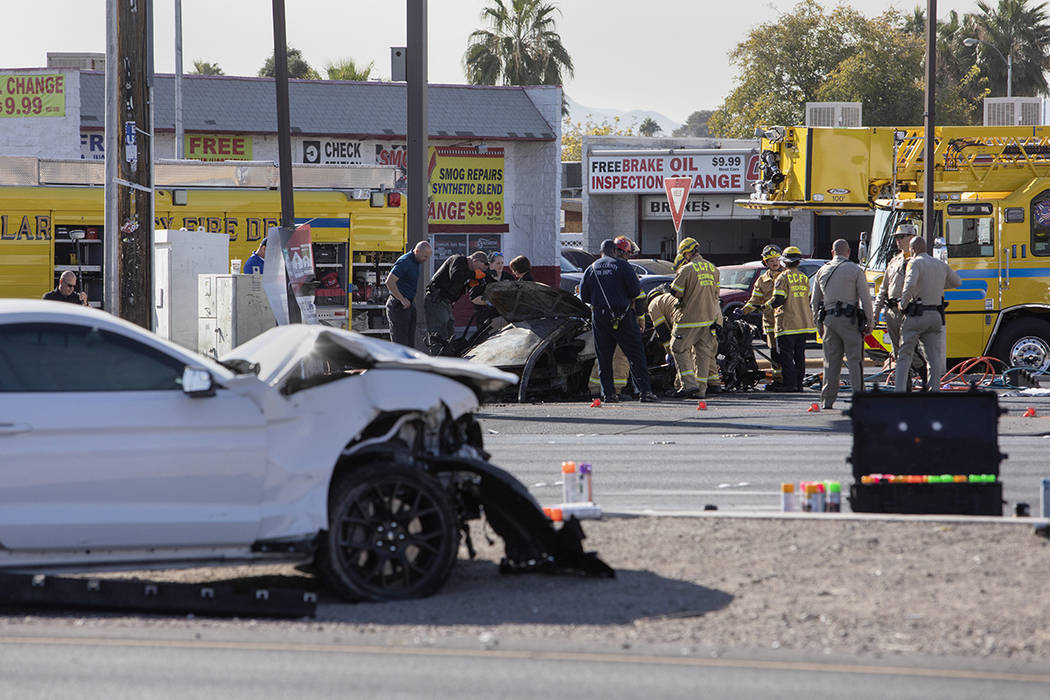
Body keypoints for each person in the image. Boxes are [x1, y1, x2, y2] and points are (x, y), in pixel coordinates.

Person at [580, 238, 658, 403]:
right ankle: (645, 392)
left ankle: (608, 394)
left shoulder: (591, 268)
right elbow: (636, 292)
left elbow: (584, 296)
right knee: (635, 355)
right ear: (615, 251)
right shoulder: (623, 266)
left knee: (604, 357)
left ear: (601, 252)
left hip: (600, 317)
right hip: (622, 316)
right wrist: (638, 317)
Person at [894, 236, 962, 392]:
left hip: (917, 314)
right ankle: (934, 392)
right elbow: (957, 282)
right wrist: (939, 286)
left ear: (912, 249)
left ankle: (899, 392)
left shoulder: (914, 262)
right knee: (933, 358)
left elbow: (910, 284)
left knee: (904, 355)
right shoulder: (940, 264)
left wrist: (902, 304)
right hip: (935, 316)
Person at [811, 239, 874, 409]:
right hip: (850, 320)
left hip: (829, 321)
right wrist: (870, 321)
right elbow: (865, 299)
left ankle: (827, 400)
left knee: (831, 362)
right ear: (849, 252)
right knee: (855, 360)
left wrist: (819, 326)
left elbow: (814, 302)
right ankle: (859, 398)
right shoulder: (855, 270)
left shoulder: (822, 271)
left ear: (832, 252)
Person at [668, 237, 721, 399]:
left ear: (688, 252)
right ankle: (701, 390)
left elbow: (675, 292)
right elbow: (716, 294)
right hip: (709, 318)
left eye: (684, 254)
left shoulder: (687, 269)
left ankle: (689, 385)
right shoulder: (713, 269)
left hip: (690, 318)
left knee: (677, 347)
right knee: (703, 354)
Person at [873, 222, 926, 385]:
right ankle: (906, 385)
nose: (898, 241)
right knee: (897, 351)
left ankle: (926, 378)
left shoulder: (919, 261)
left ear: (912, 237)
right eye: (897, 238)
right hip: (892, 311)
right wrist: (875, 313)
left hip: (910, 311)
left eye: (902, 237)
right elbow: (884, 288)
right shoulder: (894, 261)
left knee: (909, 349)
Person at [735, 244, 784, 387]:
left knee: (786, 353)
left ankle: (790, 378)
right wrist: (742, 311)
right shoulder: (762, 281)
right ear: (766, 263)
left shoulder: (787, 275)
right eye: (771, 261)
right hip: (770, 322)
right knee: (774, 352)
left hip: (787, 322)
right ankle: (778, 380)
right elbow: (754, 301)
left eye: (777, 259)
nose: (775, 263)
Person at [769, 246, 816, 392]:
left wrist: (764, 306)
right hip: (803, 324)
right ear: (798, 262)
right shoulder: (803, 278)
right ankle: (799, 384)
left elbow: (778, 300)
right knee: (799, 355)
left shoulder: (782, 278)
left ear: (784, 262)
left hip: (787, 323)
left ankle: (789, 384)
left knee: (786, 355)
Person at [424, 250, 489, 353]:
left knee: (449, 334)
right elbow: (455, 276)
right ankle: (437, 360)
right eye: (479, 269)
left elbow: (457, 288)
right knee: (440, 333)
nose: (479, 272)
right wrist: (473, 275)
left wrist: (470, 285)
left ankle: (446, 359)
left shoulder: (466, 270)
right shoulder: (458, 260)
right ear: (475, 261)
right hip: (437, 300)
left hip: (446, 303)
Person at [383, 241, 433, 347]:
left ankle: (408, 363)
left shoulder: (416, 261)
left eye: (428, 257)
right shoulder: (405, 261)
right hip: (398, 305)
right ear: (417, 251)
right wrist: (401, 299)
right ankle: (399, 363)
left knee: (409, 343)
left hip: (408, 303)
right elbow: (389, 281)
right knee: (401, 343)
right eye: (425, 256)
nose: (426, 260)